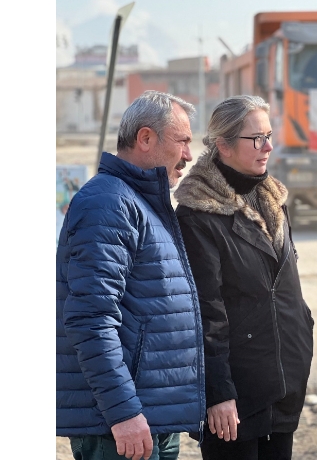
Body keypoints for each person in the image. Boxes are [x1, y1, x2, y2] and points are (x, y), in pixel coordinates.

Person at [56, 91, 206, 460]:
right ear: (145, 139)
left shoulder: (143, 202)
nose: (189, 154)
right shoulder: (108, 203)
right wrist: (123, 411)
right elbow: (91, 318)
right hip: (120, 425)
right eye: (183, 141)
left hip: (152, 417)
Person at [173, 95, 314, 460]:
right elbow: (206, 313)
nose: (268, 147)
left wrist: (303, 328)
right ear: (223, 144)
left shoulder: (273, 199)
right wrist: (218, 392)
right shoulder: (197, 215)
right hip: (236, 397)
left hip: (284, 382)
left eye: (269, 135)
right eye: (256, 138)